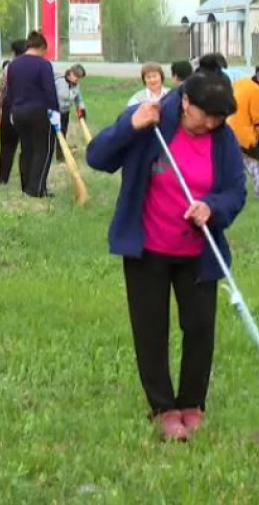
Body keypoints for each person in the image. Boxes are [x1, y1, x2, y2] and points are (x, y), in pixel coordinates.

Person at [85, 69, 246, 442]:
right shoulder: (149, 117)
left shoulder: (222, 139)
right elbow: (97, 157)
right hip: (148, 250)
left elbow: (235, 192)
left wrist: (212, 207)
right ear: (186, 101)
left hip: (197, 252)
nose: (209, 124)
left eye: (218, 119)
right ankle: (163, 408)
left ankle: (192, 403)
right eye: (203, 115)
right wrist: (130, 126)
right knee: (151, 330)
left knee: (200, 328)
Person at [4, 32, 59, 198]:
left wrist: (12, 111)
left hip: (18, 112)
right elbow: (50, 91)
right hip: (39, 112)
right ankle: (36, 189)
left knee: (26, 149)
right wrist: (54, 111)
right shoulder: (43, 65)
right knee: (43, 150)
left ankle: (26, 186)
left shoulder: (13, 65)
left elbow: (10, 90)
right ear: (42, 48)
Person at [227, 61, 259, 201]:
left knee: (235, 167)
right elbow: (257, 120)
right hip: (245, 136)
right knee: (256, 165)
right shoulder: (257, 91)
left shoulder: (240, 82)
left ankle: (231, 194)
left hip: (229, 131)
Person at [0, 39, 28, 185]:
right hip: (28, 110)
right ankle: (27, 181)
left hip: (9, 109)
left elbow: (2, 90)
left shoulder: (9, 68)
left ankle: (2, 178)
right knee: (27, 148)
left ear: (14, 52)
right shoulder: (34, 66)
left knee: (7, 147)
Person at [54, 64, 88, 138]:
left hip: (65, 112)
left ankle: (60, 149)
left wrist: (81, 110)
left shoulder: (76, 85)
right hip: (54, 112)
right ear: (71, 73)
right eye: (77, 76)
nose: (78, 80)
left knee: (63, 133)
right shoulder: (59, 81)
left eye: (79, 78)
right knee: (52, 136)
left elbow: (79, 99)